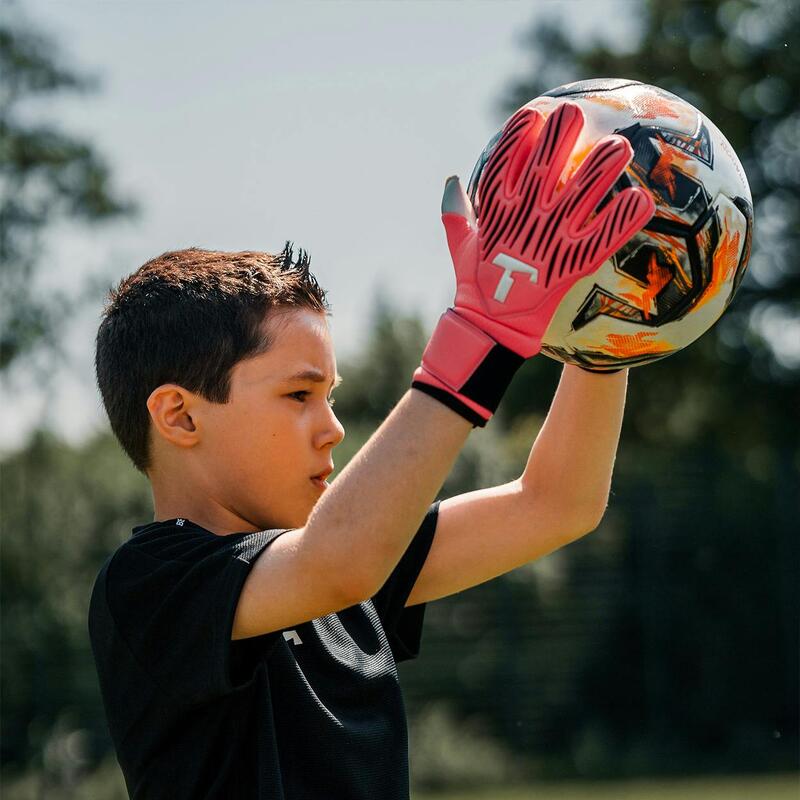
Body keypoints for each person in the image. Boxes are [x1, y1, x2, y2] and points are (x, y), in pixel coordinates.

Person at [88, 101, 654, 799]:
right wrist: (480, 331)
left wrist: (608, 328)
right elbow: (337, 561)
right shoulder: (149, 584)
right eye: (298, 396)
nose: (332, 427)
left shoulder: (345, 562)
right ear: (178, 416)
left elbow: (557, 502)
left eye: (330, 395)